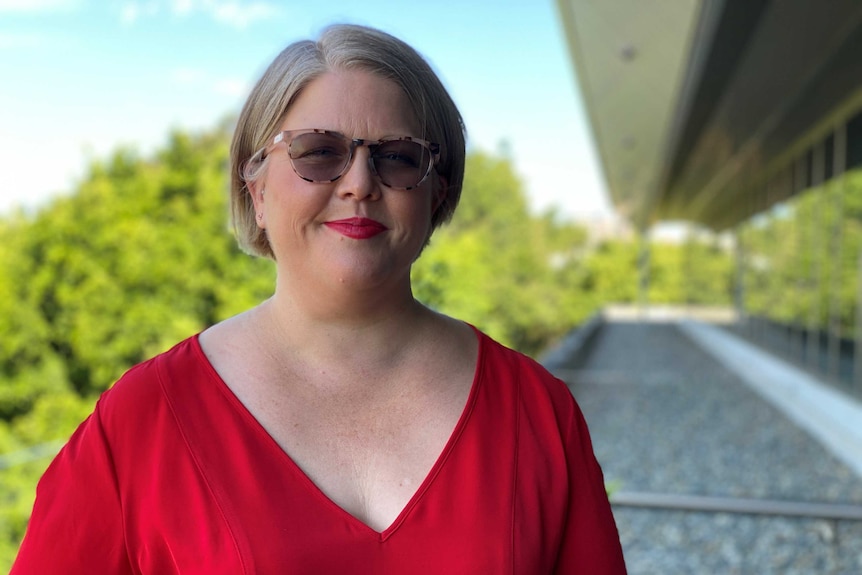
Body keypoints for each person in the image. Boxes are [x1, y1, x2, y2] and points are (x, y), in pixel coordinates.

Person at [12, 24, 626, 574]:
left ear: (437, 193)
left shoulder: (536, 413)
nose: (359, 184)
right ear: (254, 189)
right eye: (318, 153)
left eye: (396, 158)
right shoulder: (140, 424)